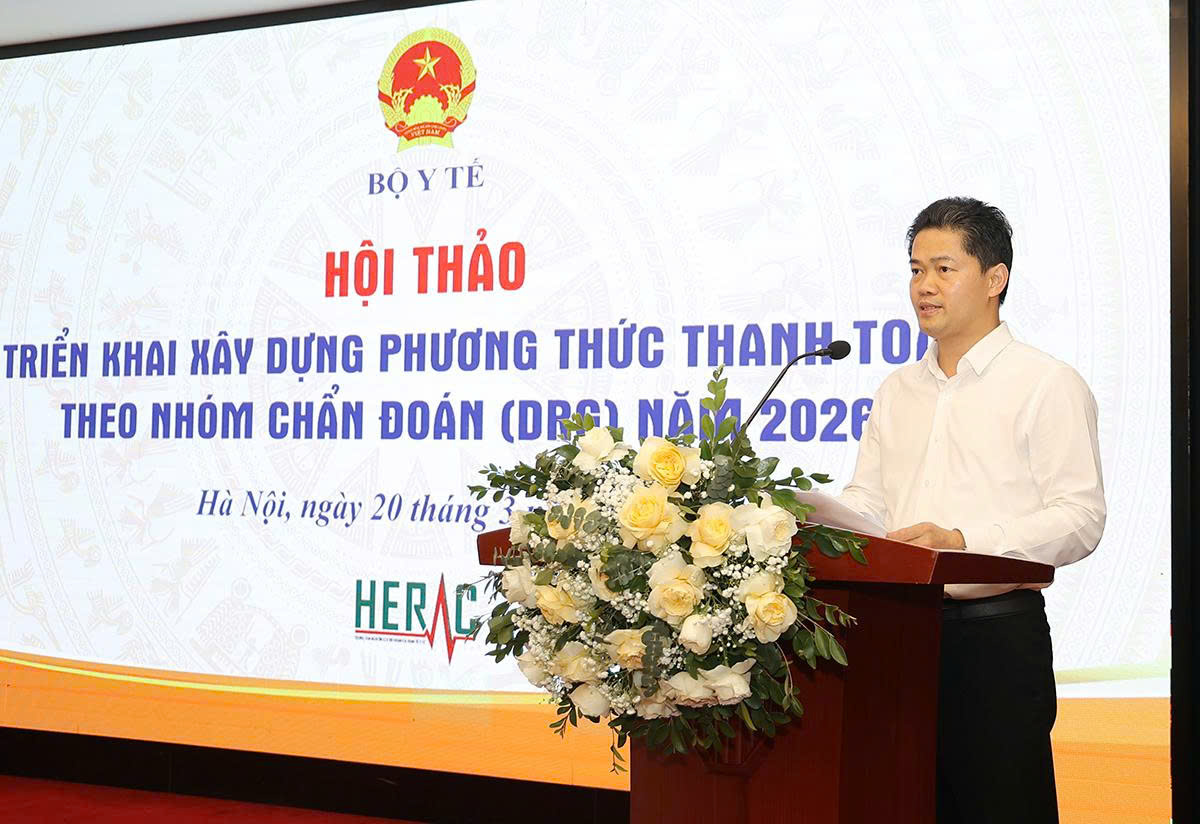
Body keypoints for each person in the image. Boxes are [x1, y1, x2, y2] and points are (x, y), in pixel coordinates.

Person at [836, 196, 1106, 823]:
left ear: (994, 278)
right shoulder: (896, 390)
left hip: (993, 644)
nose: (923, 286)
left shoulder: (1046, 383)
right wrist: (823, 524)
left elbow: (1080, 518)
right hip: (894, 640)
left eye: (943, 268)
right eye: (915, 270)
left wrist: (961, 542)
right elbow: (869, 500)